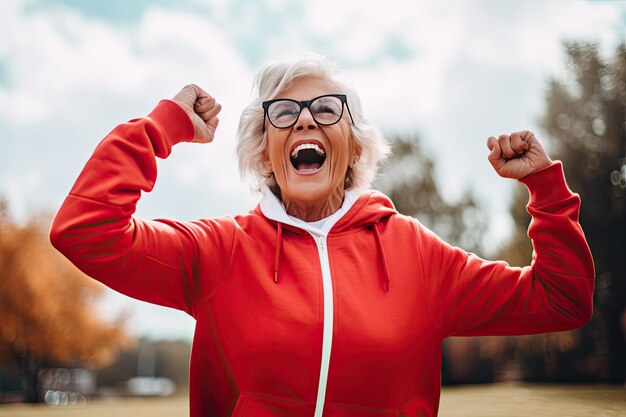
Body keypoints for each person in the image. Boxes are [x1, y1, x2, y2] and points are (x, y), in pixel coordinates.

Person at [50, 54, 595, 417]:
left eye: (325, 110)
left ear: (355, 146)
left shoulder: (416, 254)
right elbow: (86, 229)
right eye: (283, 113)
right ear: (264, 150)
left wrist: (546, 190)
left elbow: (561, 299)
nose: (305, 121)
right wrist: (161, 127)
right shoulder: (218, 252)